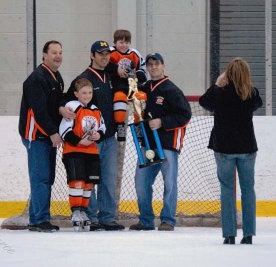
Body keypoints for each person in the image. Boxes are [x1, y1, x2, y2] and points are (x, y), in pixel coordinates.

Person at [60, 40, 125, 231]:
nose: (104, 57)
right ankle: (91, 217)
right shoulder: (84, 77)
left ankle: (108, 218)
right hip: (88, 142)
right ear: (92, 55)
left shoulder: (113, 74)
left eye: (107, 54)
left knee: (109, 179)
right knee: (90, 179)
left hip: (108, 137)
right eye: (100, 53)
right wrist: (62, 108)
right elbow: (66, 99)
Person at [199, 57, 263, 245]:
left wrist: (217, 85)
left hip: (224, 148)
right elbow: (257, 103)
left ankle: (229, 234)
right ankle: (249, 233)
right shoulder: (251, 93)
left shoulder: (220, 93)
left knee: (227, 190)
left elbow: (204, 102)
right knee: (248, 190)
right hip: (246, 147)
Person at [129, 53, 192, 231]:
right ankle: (146, 220)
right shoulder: (142, 89)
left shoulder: (172, 90)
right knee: (141, 183)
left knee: (170, 183)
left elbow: (185, 115)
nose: (153, 67)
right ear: (147, 68)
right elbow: (137, 111)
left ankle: (168, 220)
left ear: (163, 66)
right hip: (148, 146)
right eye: (150, 64)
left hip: (166, 146)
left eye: (157, 64)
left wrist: (162, 122)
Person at [18, 40, 64, 232]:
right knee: (40, 177)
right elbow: (39, 112)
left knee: (48, 177)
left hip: (48, 136)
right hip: (36, 136)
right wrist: (53, 133)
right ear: (44, 55)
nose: (58, 56)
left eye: (60, 52)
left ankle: (41, 216)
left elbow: (56, 104)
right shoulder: (36, 79)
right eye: (54, 52)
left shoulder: (56, 76)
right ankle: (37, 219)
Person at [59, 78, 105, 232]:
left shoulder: (96, 109)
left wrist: (99, 135)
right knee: (77, 181)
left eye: (90, 92)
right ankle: (76, 212)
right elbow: (64, 130)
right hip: (74, 152)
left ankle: (84, 212)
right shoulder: (72, 107)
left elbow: (102, 127)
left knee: (88, 184)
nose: (87, 95)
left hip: (91, 152)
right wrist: (80, 142)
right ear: (76, 93)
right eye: (83, 92)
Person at [106, 29, 147, 141]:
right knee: (119, 98)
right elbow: (104, 64)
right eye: (121, 42)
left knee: (141, 98)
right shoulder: (110, 52)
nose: (124, 45)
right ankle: (120, 126)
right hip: (116, 85)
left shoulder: (134, 53)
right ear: (115, 42)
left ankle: (138, 125)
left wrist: (136, 74)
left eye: (126, 42)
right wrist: (116, 69)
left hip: (132, 85)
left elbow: (143, 70)